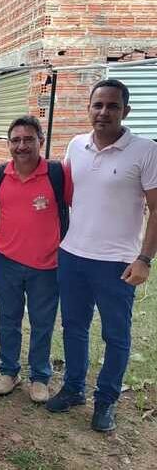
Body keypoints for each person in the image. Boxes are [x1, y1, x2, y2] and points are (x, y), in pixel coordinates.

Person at [46, 79, 157, 432]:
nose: (104, 112)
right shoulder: (76, 145)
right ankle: (73, 388)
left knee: (116, 335)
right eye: (98, 105)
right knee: (74, 327)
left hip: (118, 263)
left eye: (112, 106)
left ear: (126, 110)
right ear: (89, 108)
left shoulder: (146, 151)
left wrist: (144, 259)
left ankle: (106, 401)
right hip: (73, 255)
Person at [0, 116, 72, 403]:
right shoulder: (0, 175)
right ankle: (9, 372)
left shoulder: (58, 174)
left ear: (41, 141)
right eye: (15, 140)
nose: (21, 145)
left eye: (28, 139)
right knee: (8, 319)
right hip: (7, 261)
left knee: (42, 322)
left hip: (46, 265)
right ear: (9, 144)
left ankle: (39, 377)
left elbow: (78, 206)